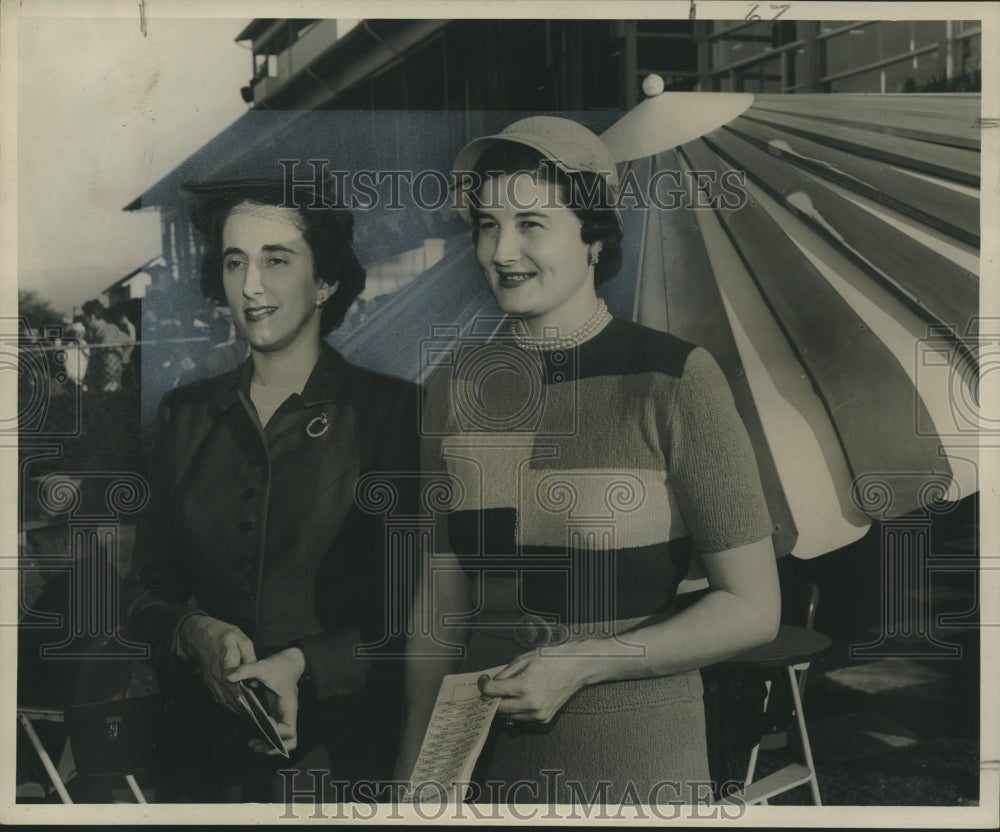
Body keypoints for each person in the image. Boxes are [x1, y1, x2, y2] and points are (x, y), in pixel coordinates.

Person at [397, 117, 780, 805]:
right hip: (483, 773)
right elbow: (441, 605)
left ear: (594, 236)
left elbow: (753, 607)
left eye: (530, 223)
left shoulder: (674, 378)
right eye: (486, 224)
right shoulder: (455, 388)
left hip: (635, 765)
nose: (500, 250)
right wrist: (415, 778)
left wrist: (581, 664)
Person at [122, 180, 421, 802]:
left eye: (276, 260)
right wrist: (192, 631)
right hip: (202, 772)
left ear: (326, 282)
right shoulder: (185, 416)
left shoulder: (392, 414)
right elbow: (142, 595)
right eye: (235, 261)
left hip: (341, 764)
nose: (251, 285)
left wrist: (301, 664)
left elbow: (416, 612)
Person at [81, 299, 130, 391]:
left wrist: (125, 358)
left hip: (109, 377)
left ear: (91, 317)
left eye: (85, 318)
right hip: (100, 375)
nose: (85, 323)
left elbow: (129, 342)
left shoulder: (108, 330)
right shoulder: (98, 332)